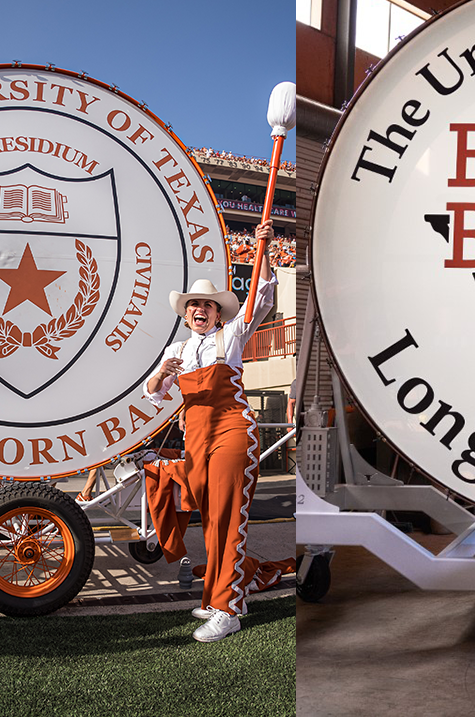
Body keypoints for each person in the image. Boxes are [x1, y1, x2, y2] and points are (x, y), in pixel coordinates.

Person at [143, 219, 295, 642]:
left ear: (217, 312)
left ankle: (228, 610)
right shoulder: (176, 350)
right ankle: (219, 593)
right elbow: (154, 394)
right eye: (194, 304)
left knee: (226, 519)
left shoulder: (233, 335)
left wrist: (261, 250)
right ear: (186, 311)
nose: (200, 309)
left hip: (231, 431)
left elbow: (261, 298)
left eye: (207, 305)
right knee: (210, 520)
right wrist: (161, 376)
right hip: (196, 438)